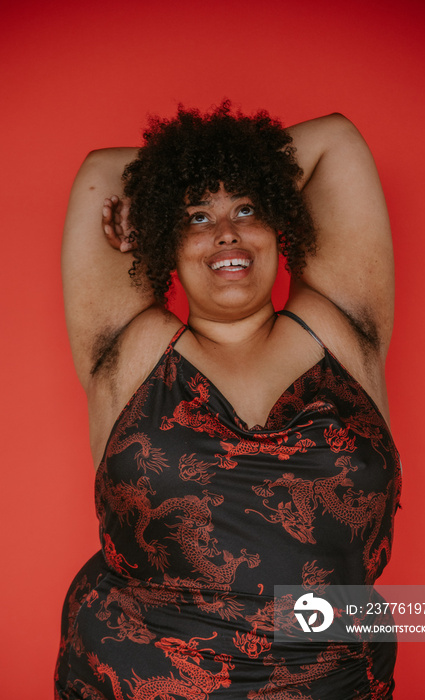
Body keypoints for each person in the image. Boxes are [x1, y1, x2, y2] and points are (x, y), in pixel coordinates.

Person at [56, 102, 401, 699]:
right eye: (195, 217)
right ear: (163, 233)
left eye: (247, 209)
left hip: (335, 677)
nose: (226, 233)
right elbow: (101, 172)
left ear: (278, 222)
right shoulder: (132, 351)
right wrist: (161, 190)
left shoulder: (342, 332)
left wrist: (190, 187)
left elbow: (337, 141)